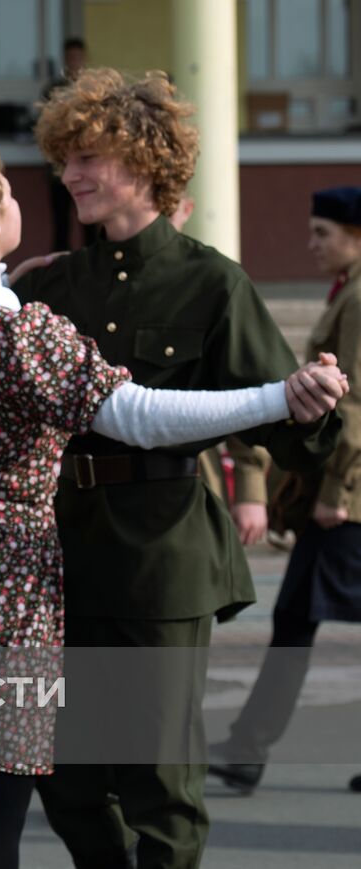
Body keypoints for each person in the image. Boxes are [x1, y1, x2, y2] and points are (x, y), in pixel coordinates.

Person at [0, 69, 341, 869]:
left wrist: (312, 408)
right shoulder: (45, 285)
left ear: (147, 165)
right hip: (49, 565)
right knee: (64, 781)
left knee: (160, 781)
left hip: (162, 557)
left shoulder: (211, 283)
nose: (69, 175)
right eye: (64, 159)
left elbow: (282, 427)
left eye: (88, 159)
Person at [209, 186, 361, 794]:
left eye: (323, 231)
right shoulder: (347, 292)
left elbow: (351, 402)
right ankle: (248, 746)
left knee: (296, 618)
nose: (312, 243)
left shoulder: (357, 298)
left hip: (346, 502)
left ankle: (249, 747)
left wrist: (337, 489)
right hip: (341, 496)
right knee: (295, 617)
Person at [42, 38, 88, 252]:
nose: (74, 62)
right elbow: (44, 126)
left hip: (87, 167)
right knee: (61, 222)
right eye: (71, 57)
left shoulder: (90, 91)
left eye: (78, 57)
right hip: (58, 166)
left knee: (89, 220)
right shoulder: (54, 90)